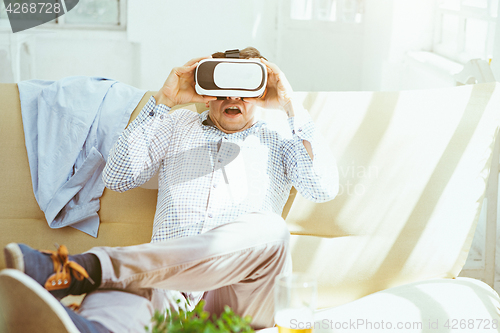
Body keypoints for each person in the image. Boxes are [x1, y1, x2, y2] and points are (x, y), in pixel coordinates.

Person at [1, 47, 338, 333]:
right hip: (169, 287)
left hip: (242, 297)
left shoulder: (282, 134)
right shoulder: (177, 123)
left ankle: (90, 268)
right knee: (120, 295)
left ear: (262, 92)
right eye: (222, 86)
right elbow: (118, 176)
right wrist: (164, 100)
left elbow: (322, 187)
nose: (232, 97)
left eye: (245, 86)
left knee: (271, 230)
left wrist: (290, 104)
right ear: (206, 92)